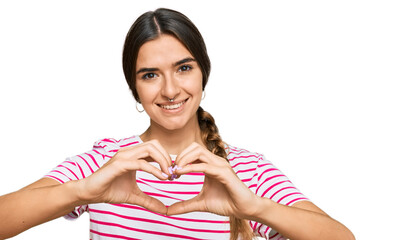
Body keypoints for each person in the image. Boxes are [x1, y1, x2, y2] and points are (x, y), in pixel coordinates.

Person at [0, 8, 354, 240]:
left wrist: (253, 208)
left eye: (184, 68)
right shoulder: (108, 161)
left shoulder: (246, 171)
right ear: (135, 89)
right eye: (150, 75)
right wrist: (83, 191)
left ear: (203, 74)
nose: (170, 90)